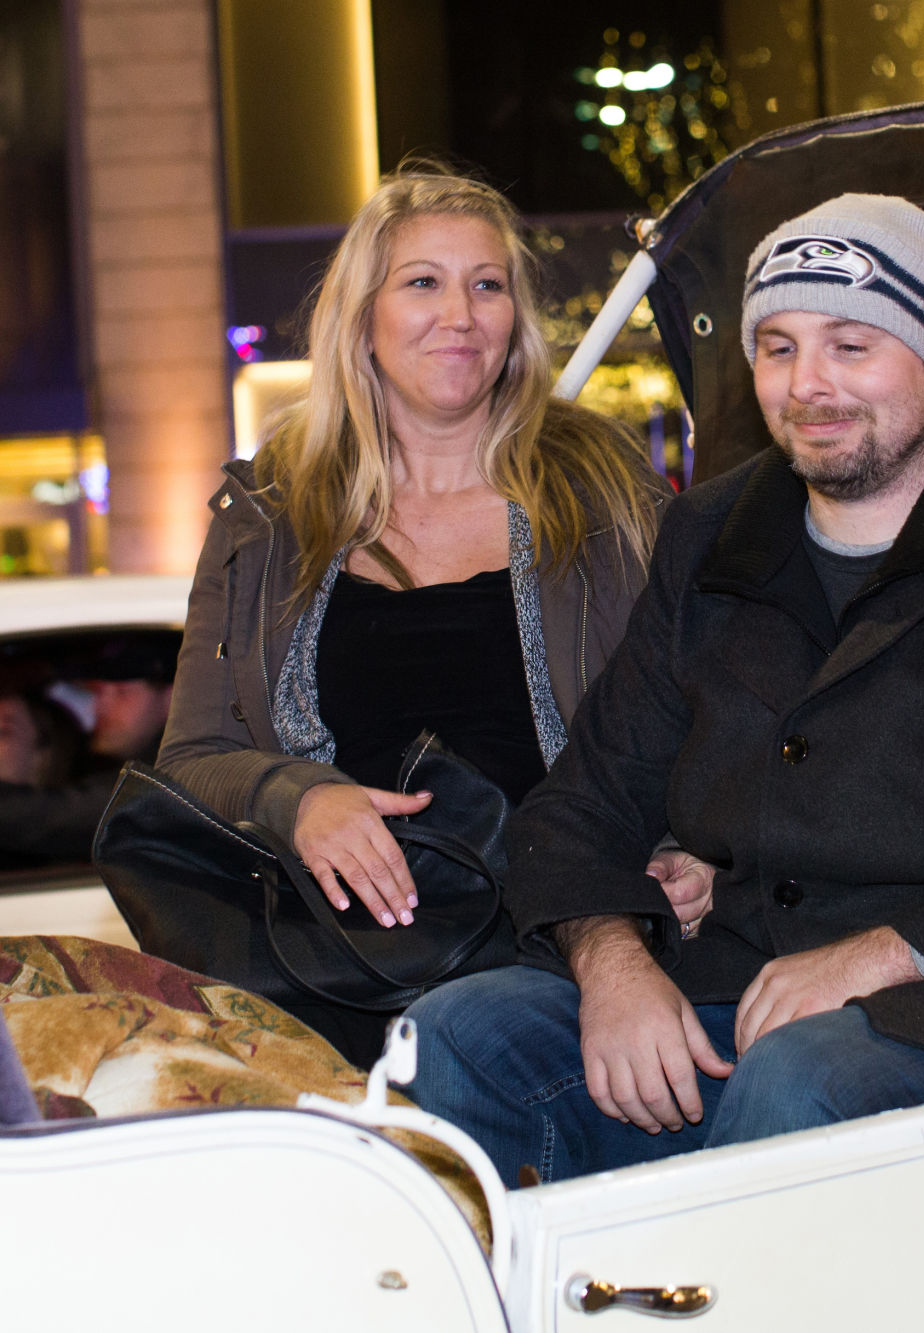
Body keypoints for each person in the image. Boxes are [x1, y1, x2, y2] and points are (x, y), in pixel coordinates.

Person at [407, 193, 924, 1183]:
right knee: (460, 1037)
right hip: (734, 992)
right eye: (776, 347)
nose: (807, 383)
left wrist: (889, 949)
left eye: (851, 345)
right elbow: (584, 802)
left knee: (795, 1079)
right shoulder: (711, 535)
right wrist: (613, 961)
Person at [157, 164, 665, 1062]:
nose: (460, 315)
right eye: (423, 282)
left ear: (516, 319)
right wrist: (297, 796)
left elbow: (703, 702)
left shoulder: (608, 493)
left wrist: (686, 849)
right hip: (329, 965)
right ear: (363, 318)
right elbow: (193, 760)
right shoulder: (268, 514)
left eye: (488, 285)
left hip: (565, 950)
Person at [0, 633, 176, 867]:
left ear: (171, 698)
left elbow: (57, 818)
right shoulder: (133, 770)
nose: (99, 706)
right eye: (98, 692)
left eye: (121, 692)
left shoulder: (169, 778)